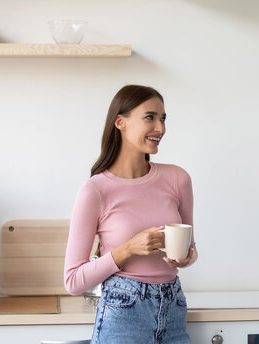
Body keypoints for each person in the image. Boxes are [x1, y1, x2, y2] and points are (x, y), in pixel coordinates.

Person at [64, 85, 197, 344]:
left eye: (163, 118)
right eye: (150, 117)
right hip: (123, 313)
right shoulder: (95, 190)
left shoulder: (178, 178)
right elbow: (73, 281)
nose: (160, 128)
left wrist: (182, 258)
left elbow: (191, 251)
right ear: (120, 122)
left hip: (174, 307)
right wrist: (128, 248)